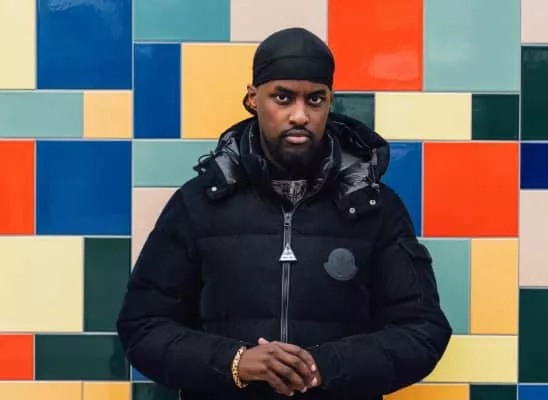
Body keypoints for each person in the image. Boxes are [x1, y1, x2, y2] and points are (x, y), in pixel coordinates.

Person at [116, 27, 452, 400]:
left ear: (330, 102)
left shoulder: (374, 207)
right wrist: (236, 362)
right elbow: (143, 326)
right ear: (252, 98)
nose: (300, 115)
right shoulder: (199, 204)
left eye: (315, 99)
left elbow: (422, 331)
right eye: (283, 97)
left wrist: (324, 367)